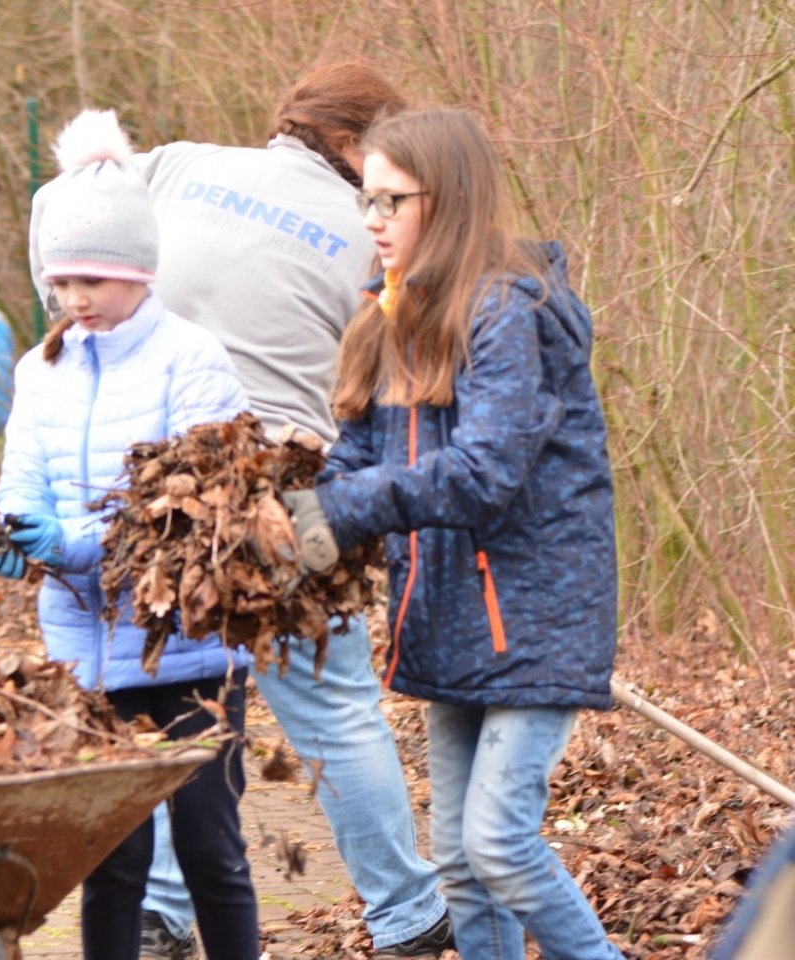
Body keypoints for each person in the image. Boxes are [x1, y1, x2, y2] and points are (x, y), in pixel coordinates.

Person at [283, 106, 625, 959]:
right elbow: (357, 459)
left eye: (390, 201)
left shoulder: (512, 312)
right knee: (463, 867)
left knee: (502, 846)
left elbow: (484, 473)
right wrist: (292, 522)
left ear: (451, 199)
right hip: (445, 617)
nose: (372, 221)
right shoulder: (389, 314)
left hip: (534, 618)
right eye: (366, 201)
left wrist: (337, 514)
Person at [131, 61, 453, 958]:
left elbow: (72, 201)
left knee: (179, 700)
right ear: (352, 145)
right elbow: (405, 388)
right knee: (333, 710)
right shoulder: (378, 235)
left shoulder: (177, 165)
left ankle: (159, 913)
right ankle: (409, 915)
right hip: (294, 491)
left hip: (168, 492)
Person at [0, 107, 259, 960]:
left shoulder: (192, 361)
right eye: (61, 284)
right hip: (86, 653)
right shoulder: (41, 369)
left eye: (91, 282)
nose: (74, 301)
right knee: (112, 859)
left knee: (212, 849)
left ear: (138, 271)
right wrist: (8, 532)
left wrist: (68, 543)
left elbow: (191, 518)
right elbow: (22, 476)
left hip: (190, 655)